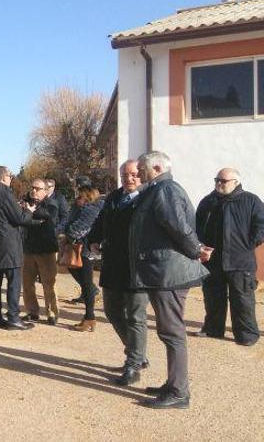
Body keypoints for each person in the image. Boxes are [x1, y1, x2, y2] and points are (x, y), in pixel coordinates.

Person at [129, 151, 210, 409]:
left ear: (156, 167)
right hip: (162, 271)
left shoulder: (166, 190)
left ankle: (178, 392)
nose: (138, 173)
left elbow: (178, 227)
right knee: (169, 331)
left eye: (141, 168)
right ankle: (173, 383)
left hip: (169, 273)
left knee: (172, 332)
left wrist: (196, 250)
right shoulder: (157, 190)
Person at [89, 159, 149, 386]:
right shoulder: (114, 197)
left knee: (135, 316)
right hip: (113, 265)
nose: (129, 178)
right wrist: (94, 239)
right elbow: (101, 221)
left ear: (142, 175)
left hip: (138, 268)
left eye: (133, 174)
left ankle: (133, 364)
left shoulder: (148, 198)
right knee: (112, 311)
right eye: (125, 174)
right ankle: (137, 353)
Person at [194, 167, 264, 346]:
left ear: (236, 182)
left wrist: (249, 243)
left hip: (240, 262)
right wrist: (201, 245)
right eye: (216, 180)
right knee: (213, 297)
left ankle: (246, 336)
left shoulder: (251, 201)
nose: (219, 184)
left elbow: (261, 226)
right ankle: (213, 329)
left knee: (242, 300)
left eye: (223, 181)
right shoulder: (208, 202)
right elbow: (197, 226)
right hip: (213, 261)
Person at [0, 166, 40, 330]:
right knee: (13, 282)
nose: (11, 179)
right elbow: (19, 218)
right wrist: (29, 211)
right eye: (10, 176)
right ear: (4, 177)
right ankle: (13, 317)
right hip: (8, 245)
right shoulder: (4, 193)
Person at [58, 178, 103, 332]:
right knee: (81, 278)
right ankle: (90, 307)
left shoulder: (91, 210)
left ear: (87, 196)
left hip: (85, 249)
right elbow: (67, 221)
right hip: (75, 246)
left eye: (80, 195)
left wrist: (67, 234)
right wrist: (62, 231)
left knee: (86, 283)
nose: (77, 198)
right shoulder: (78, 207)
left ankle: (89, 317)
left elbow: (79, 228)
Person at [20, 178, 61, 325]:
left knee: (49, 283)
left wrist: (30, 212)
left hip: (46, 250)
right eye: (33, 188)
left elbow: (47, 216)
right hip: (29, 249)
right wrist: (27, 211)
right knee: (27, 282)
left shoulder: (51, 204)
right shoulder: (27, 203)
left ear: (45, 191)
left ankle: (52, 313)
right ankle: (32, 311)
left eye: (38, 188)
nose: (34, 191)